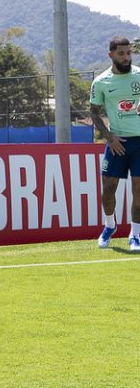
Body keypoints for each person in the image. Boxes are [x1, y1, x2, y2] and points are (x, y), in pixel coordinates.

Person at [91, 36, 140, 251]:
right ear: (111, 54)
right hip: (116, 142)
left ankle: (135, 235)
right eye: (121, 53)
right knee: (109, 187)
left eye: (129, 53)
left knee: (138, 189)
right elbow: (93, 112)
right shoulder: (101, 81)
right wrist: (109, 137)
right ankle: (109, 226)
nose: (126, 57)